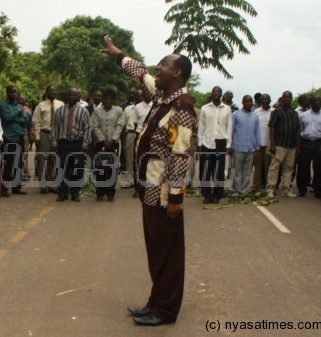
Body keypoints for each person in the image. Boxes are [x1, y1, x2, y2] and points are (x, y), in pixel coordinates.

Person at [102, 35, 196, 326]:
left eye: (164, 65)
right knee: (156, 250)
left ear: (177, 72)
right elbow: (140, 73)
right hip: (150, 188)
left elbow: (180, 153)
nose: (158, 67)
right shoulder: (161, 96)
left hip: (165, 193)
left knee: (166, 252)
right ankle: (155, 302)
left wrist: (176, 200)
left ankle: (166, 310)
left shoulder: (181, 106)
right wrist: (118, 54)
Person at [51, 88, 91, 202]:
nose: (71, 97)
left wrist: (85, 144)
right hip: (63, 143)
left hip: (77, 144)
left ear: (77, 97)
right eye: (69, 95)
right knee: (62, 168)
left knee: (77, 169)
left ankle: (75, 192)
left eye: (73, 95)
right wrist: (54, 143)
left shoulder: (83, 111)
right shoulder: (60, 110)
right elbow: (55, 127)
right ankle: (62, 193)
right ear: (66, 97)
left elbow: (87, 128)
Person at [198, 86, 232, 204]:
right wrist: (199, 143)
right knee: (207, 170)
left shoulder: (227, 109)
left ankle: (217, 195)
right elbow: (201, 127)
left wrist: (228, 145)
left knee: (219, 170)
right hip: (207, 142)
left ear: (221, 94)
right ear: (211, 94)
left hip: (221, 142)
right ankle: (206, 194)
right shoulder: (205, 108)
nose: (216, 93)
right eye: (214, 91)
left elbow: (229, 128)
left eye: (218, 92)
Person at [265, 91, 300, 199]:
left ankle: (286, 189)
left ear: (291, 99)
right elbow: (272, 127)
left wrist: (297, 145)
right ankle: (270, 189)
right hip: (280, 144)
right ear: (282, 98)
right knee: (274, 167)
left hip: (291, 145)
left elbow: (297, 130)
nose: (287, 99)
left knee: (289, 168)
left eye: (289, 97)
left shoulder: (294, 113)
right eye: (285, 97)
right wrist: (272, 144)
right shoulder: (277, 112)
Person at [91, 88, 123, 201]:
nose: (108, 100)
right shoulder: (97, 111)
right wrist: (103, 140)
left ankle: (110, 193)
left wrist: (113, 140)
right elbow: (95, 126)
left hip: (114, 144)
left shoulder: (119, 110)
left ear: (113, 100)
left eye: (110, 98)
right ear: (103, 99)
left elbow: (120, 126)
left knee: (112, 169)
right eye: (106, 98)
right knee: (100, 168)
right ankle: (100, 193)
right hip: (101, 144)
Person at [0, 86, 30, 196]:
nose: (14, 94)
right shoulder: (3, 105)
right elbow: (6, 118)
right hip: (9, 138)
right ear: (7, 93)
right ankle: (5, 188)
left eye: (16, 92)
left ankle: (17, 187)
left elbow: (25, 120)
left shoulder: (20, 105)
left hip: (19, 137)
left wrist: (14, 117)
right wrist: (17, 112)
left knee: (19, 163)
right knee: (8, 164)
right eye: (12, 92)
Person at [33, 86, 64, 194]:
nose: (52, 92)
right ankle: (43, 185)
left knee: (53, 160)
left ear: (56, 92)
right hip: (44, 133)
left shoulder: (61, 104)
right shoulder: (41, 105)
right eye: (50, 90)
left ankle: (51, 184)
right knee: (42, 160)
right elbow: (36, 121)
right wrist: (37, 136)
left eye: (54, 90)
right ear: (46, 92)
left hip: (57, 135)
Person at [230, 95, 261, 197]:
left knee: (247, 171)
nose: (248, 103)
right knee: (237, 170)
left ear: (252, 102)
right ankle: (235, 190)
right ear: (242, 102)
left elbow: (257, 132)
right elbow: (231, 130)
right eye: (246, 101)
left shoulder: (255, 117)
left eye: (250, 101)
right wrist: (230, 145)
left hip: (250, 148)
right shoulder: (236, 115)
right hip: (238, 147)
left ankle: (243, 191)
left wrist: (257, 146)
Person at [296, 96, 321, 198]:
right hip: (306, 142)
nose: (318, 103)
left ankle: (317, 189)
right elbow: (299, 130)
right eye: (316, 101)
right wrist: (299, 145)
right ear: (311, 103)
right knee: (303, 166)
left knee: (319, 167)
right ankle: (302, 189)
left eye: (320, 101)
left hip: (319, 143)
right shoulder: (303, 115)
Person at [252, 94, 274, 190]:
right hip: (258, 143)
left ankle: (267, 185)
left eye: (266, 99)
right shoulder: (256, 112)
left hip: (270, 144)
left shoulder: (274, 111)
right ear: (260, 101)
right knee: (258, 166)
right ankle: (257, 185)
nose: (264, 101)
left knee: (268, 166)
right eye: (263, 99)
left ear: (270, 100)